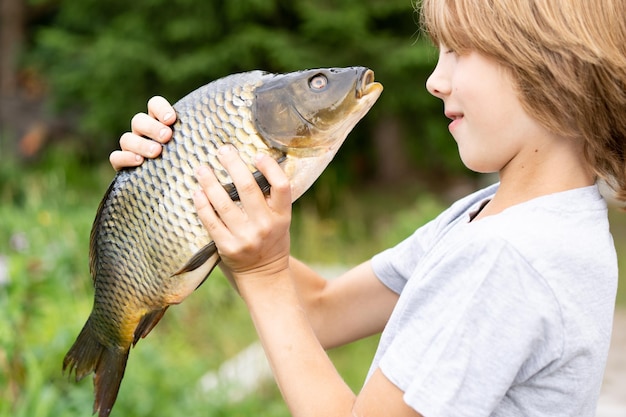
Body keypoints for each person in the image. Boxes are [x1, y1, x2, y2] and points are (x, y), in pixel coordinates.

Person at [109, 0, 626, 415]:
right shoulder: (507, 217)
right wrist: (201, 196)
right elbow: (323, 309)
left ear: (559, 68)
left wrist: (265, 273)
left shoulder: (507, 258)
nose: (434, 80)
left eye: (460, 51)